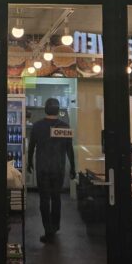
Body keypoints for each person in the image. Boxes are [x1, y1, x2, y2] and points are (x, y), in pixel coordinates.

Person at [27, 98, 75, 244]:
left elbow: (31, 147)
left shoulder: (37, 126)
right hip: (58, 168)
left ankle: (48, 230)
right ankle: (55, 227)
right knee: (56, 198)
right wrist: (73, 167)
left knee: (44, 199)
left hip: (42, 168)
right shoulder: (65, 127)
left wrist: (29, 162)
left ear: (45, 109)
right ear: (58, 109)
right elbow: (69, 150)